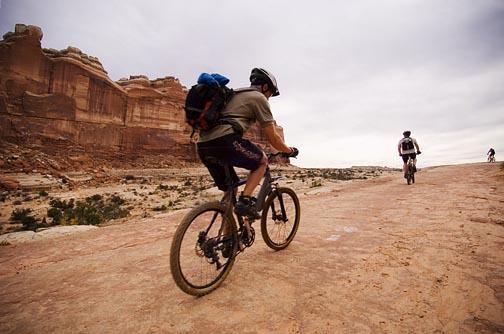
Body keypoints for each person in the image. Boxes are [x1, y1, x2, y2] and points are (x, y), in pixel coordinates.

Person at [197, 68, 298, 219]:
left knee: (230, 191)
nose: (269, 97)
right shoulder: (259, 98)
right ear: (264, 87)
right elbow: (273, 138)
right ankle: (245, 202)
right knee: (262, 161)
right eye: (270, 92)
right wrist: (288, 150)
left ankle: (228, 237)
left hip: (203, 145)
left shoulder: (234, 94)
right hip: (225, 141)